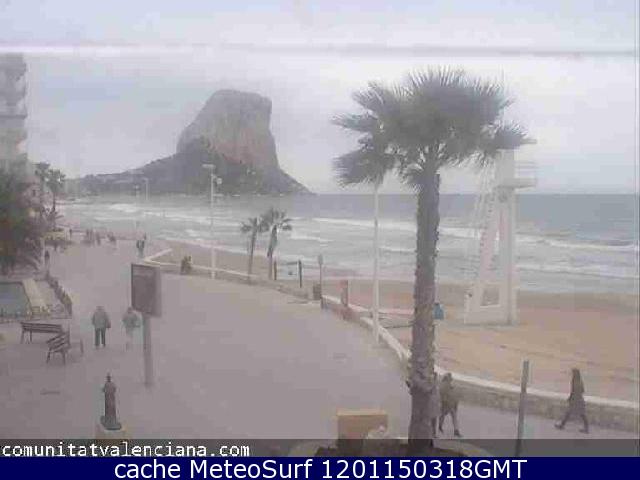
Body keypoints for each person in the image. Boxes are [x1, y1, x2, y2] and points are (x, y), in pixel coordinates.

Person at [555, 368, 589, 433]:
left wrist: (570, 398)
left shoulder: (575, 382)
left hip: (575, 400)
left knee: (571, 413)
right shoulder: (580, 381)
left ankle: (562, 425)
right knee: (581, 414)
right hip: (579, 399)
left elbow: (573, 391)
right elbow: (582, 391)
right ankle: (586, 428)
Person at [439, 372, 462, 437]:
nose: (450, 380)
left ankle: (456, 430)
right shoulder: (444, 386)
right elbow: (442, 396)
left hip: (450, 404)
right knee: (443, 416)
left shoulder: (448, 385)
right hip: (446, 404)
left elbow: (454, 395)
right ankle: (440, 427)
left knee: (451, 416)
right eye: (449, 378)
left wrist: (455, 404)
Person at [429, 373, 442, 437]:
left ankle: (433, 433)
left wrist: (439, 406)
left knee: (434, 421)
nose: (434, 381)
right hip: (430, 406)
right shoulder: (429, 387)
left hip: (434, 406)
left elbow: (439, 398)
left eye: (435, 379)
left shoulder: (436, 388)